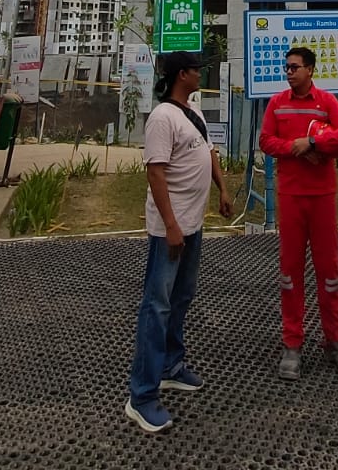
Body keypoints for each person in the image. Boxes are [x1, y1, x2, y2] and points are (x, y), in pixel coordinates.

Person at [126, 52, 232, 435]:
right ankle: (142, 396)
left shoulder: (193, 112)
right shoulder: (162, 118)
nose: (200, 73)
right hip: (169, 229)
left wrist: (222, 188)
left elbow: (208, 153)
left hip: (193, 224)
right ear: (181, 75)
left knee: (181, 298)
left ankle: (171, 366)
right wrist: (170, 225)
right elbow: (155, 173)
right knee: (156, 306)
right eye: (196, 69)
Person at [259, 45, 338, 380]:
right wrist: (295, 148)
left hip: (322, 198)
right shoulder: (277, 103)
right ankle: (292, 343)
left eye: (295, 67)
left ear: (311, 70)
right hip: (290, 197)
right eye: (286, 67)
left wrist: (315, 143)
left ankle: (334, 340)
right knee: (290, 273)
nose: (289, 72)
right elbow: (266, 141)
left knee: (329, 272)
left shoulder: (327, 102)